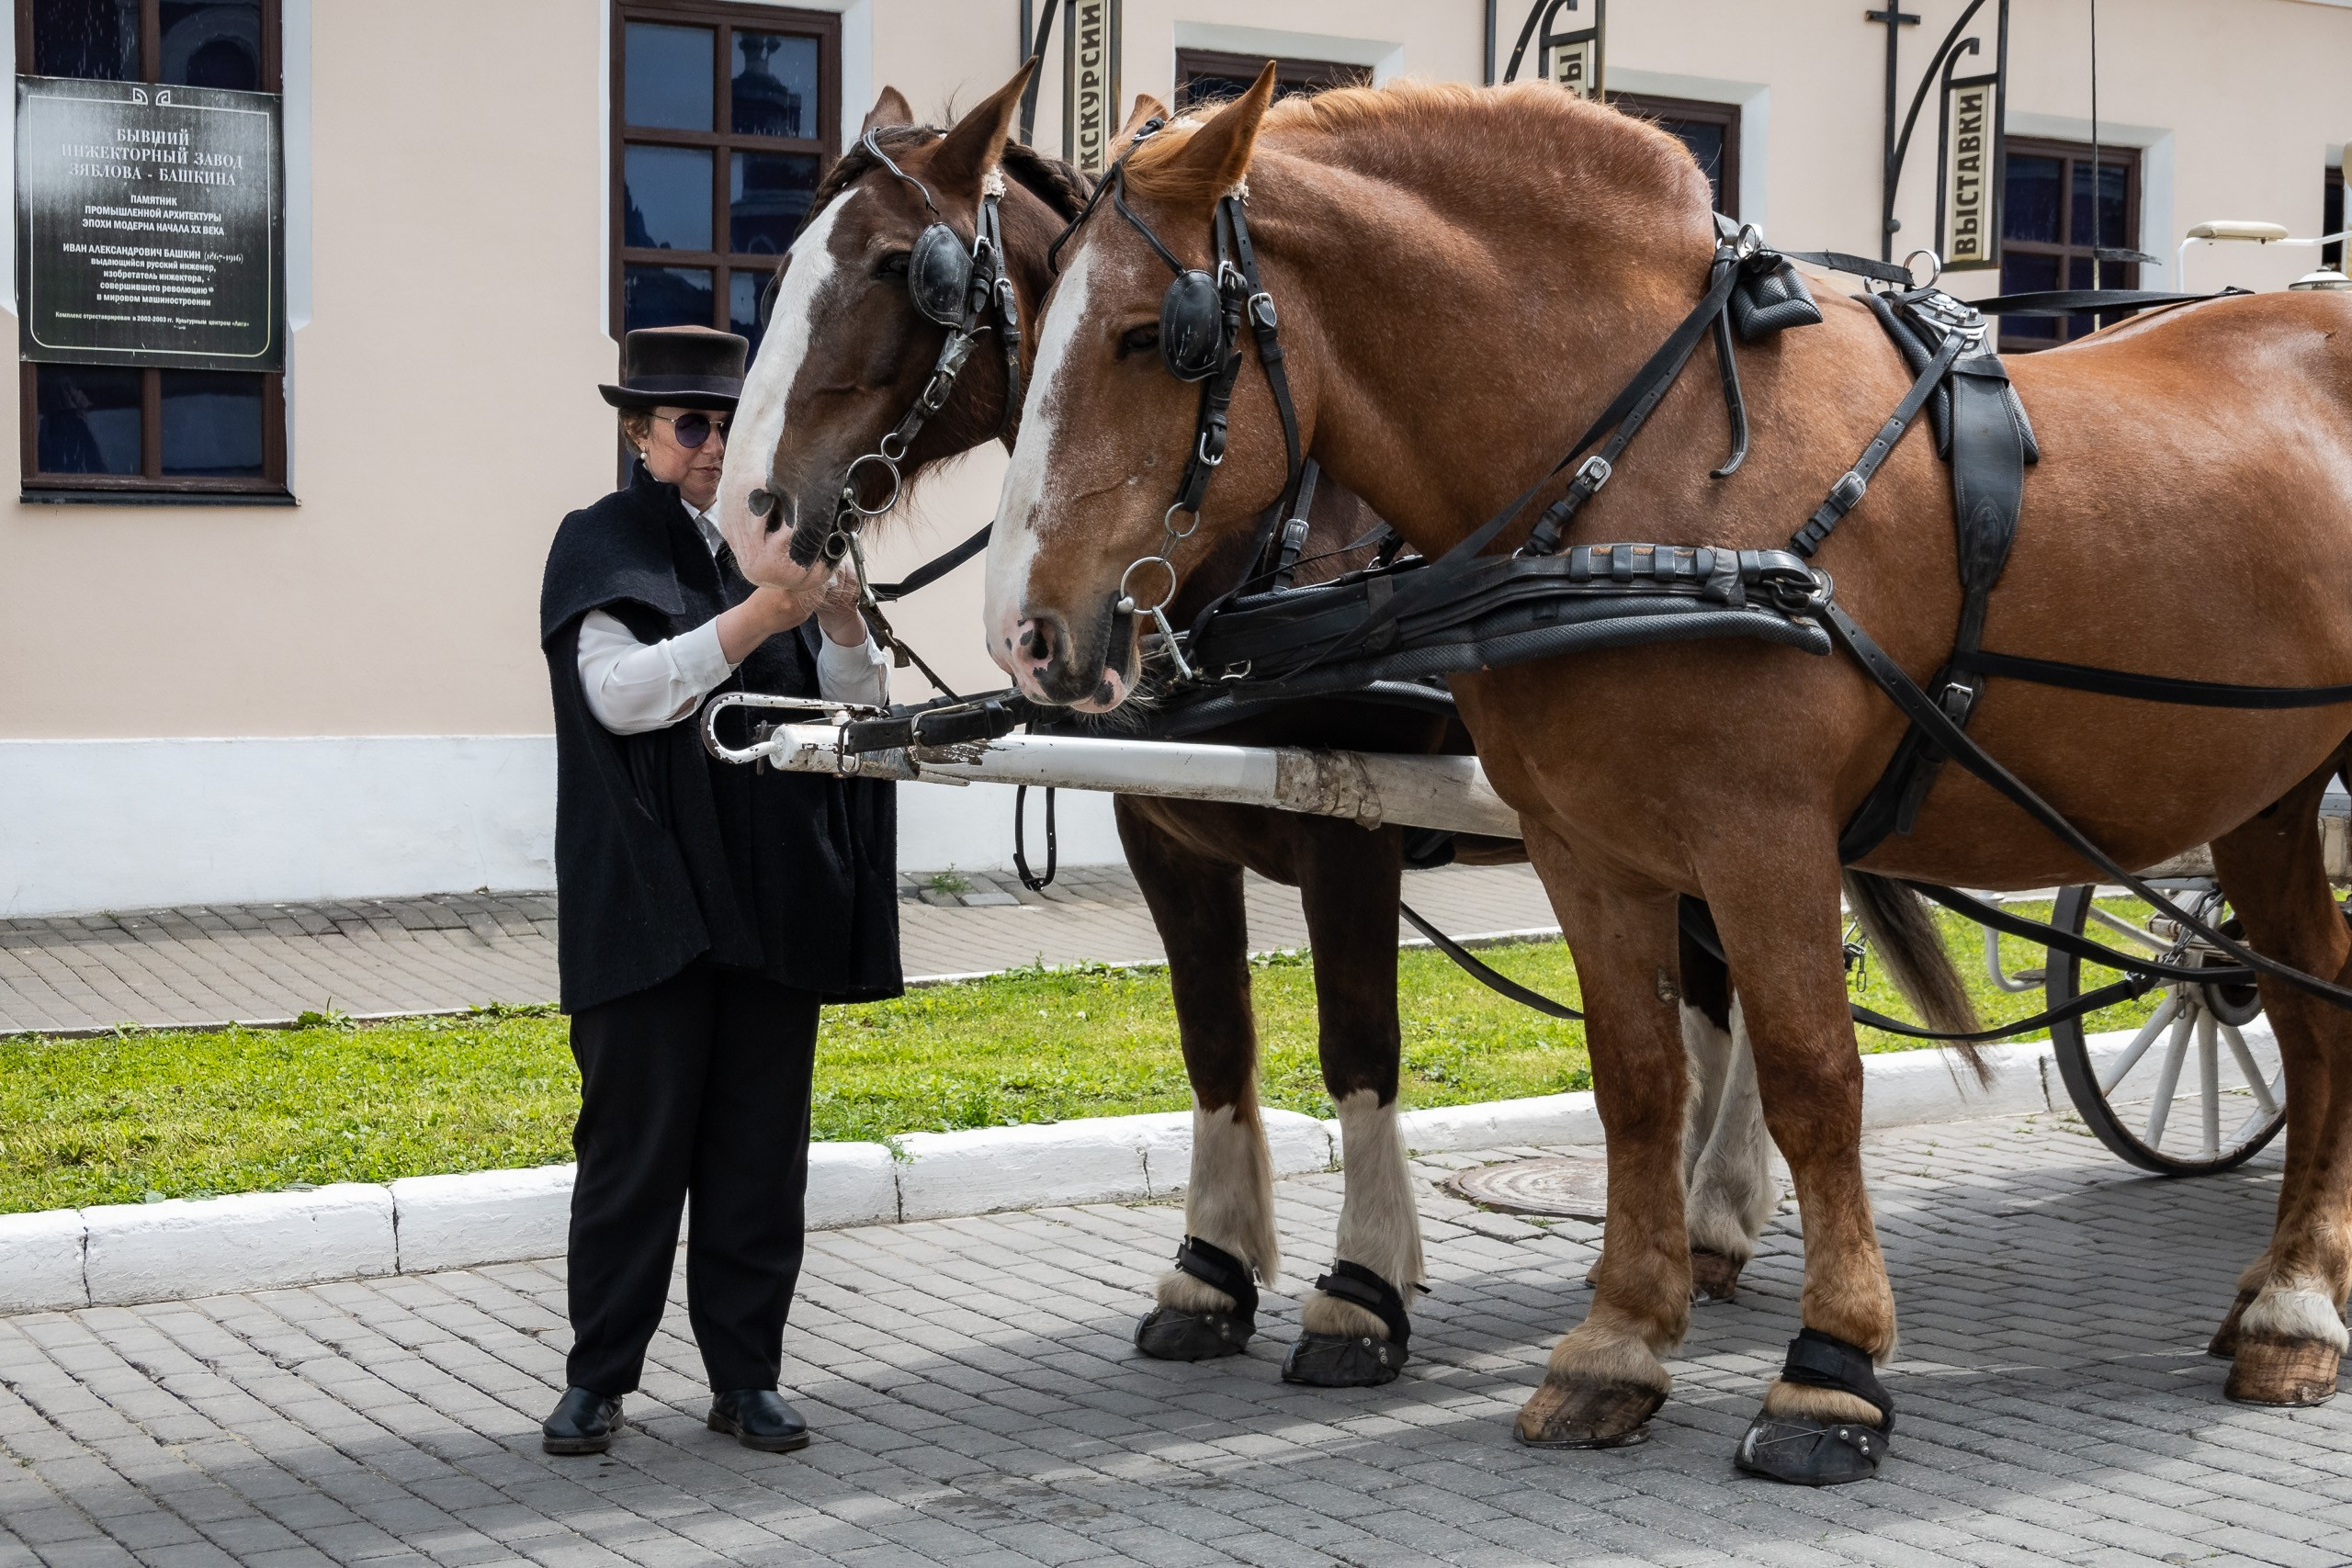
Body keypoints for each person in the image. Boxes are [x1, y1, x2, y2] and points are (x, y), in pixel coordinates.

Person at [536, 325, 901, 1456]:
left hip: (771, 895)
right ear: (639, 435)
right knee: (634, 1158)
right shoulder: (599, 543)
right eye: (687, 424)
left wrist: (838, 622)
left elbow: (853, 709)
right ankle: (599, 1379)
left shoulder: (783, 530)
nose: (709, 446)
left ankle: (747, 1378)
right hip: (650, 905)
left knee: (758, 1158)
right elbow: (621, 694)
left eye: (728, 423)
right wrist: (756, 620)